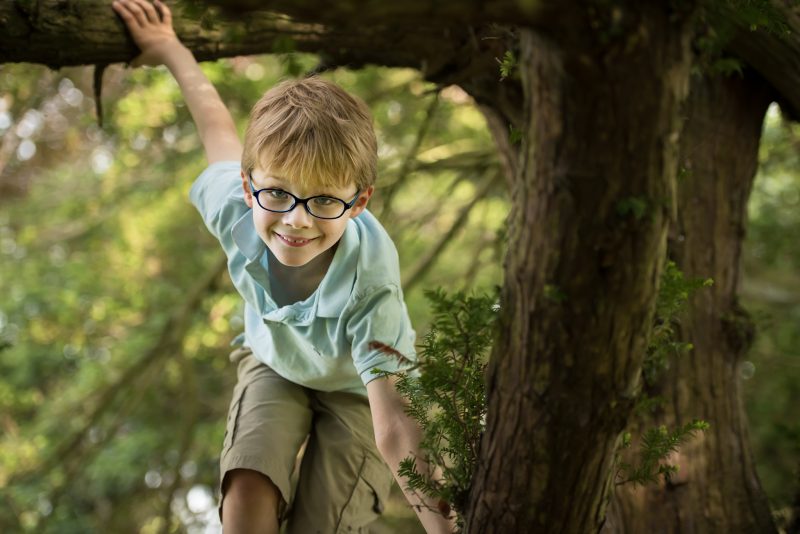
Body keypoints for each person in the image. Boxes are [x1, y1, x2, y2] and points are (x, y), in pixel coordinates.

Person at [111, 1, 455, 533]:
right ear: (249, 188)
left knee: (324, 521)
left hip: (357, 394)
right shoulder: (236, 210)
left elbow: (395, 428)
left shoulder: (370, 279)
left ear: (359, 201)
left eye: (323, 201)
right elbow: (217, 130)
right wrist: (170, 49)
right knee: (245, 493)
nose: (296, 220)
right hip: (275, 361)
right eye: (277, 194)